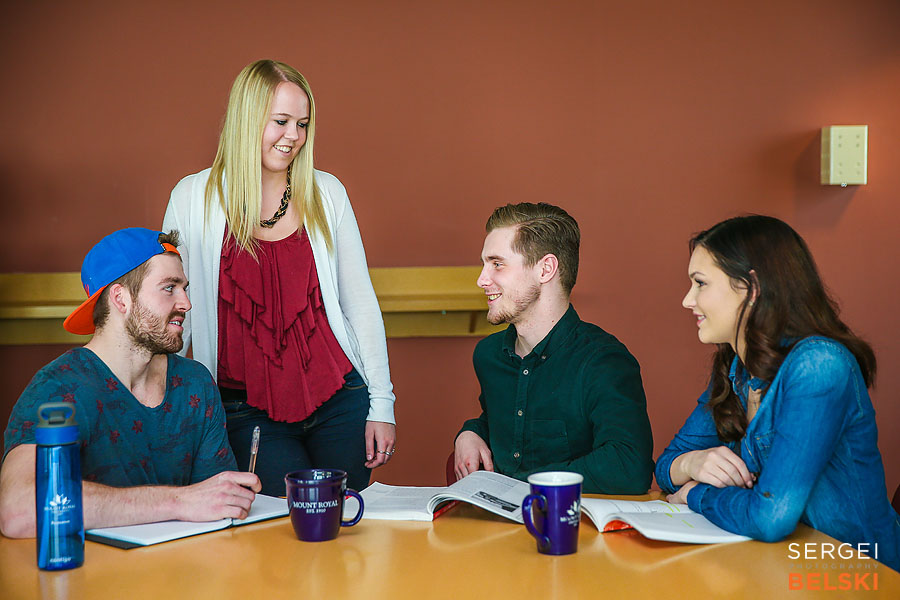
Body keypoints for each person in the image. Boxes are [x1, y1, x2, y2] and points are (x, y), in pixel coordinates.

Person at [163, 59, 395, 496]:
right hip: (243, 409)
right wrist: (164, 405)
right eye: (281, 121)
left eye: (302, 124)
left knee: (343, 522)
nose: (294, 136)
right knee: (283, 523)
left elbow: (360, 304)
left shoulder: (327, 193)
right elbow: (176, 309)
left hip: (341, 399)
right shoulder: (192, 198)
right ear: (247, 120)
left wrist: (382, 404)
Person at [657, 215, 899, 571]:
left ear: (751, 287)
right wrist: (692, 463)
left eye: (700, 283)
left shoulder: (819, 366)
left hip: (859, 574)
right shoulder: (737, 367)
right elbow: (666, 466)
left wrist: (695, 492)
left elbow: (771, 518)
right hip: (780, 570)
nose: (687, 300)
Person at [0, 228, 260, 538]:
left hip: (189, 564)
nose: (186, 303)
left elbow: (220, 504)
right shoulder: (59, 388)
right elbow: (19, 510)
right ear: (121, 298)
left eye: (184, 289)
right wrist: (178, 502)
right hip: (96, 568)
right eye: (169, 288)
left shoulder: (195, 383)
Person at [453, 203, 654, 494]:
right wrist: (470, 432)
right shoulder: (489, 355)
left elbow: (628, 466)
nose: (481, 280)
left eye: (497, 264)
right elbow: (511, 420)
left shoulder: (604, 361)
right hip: (495, 519)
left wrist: (518, 488)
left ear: (545, 269)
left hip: (571, 521)